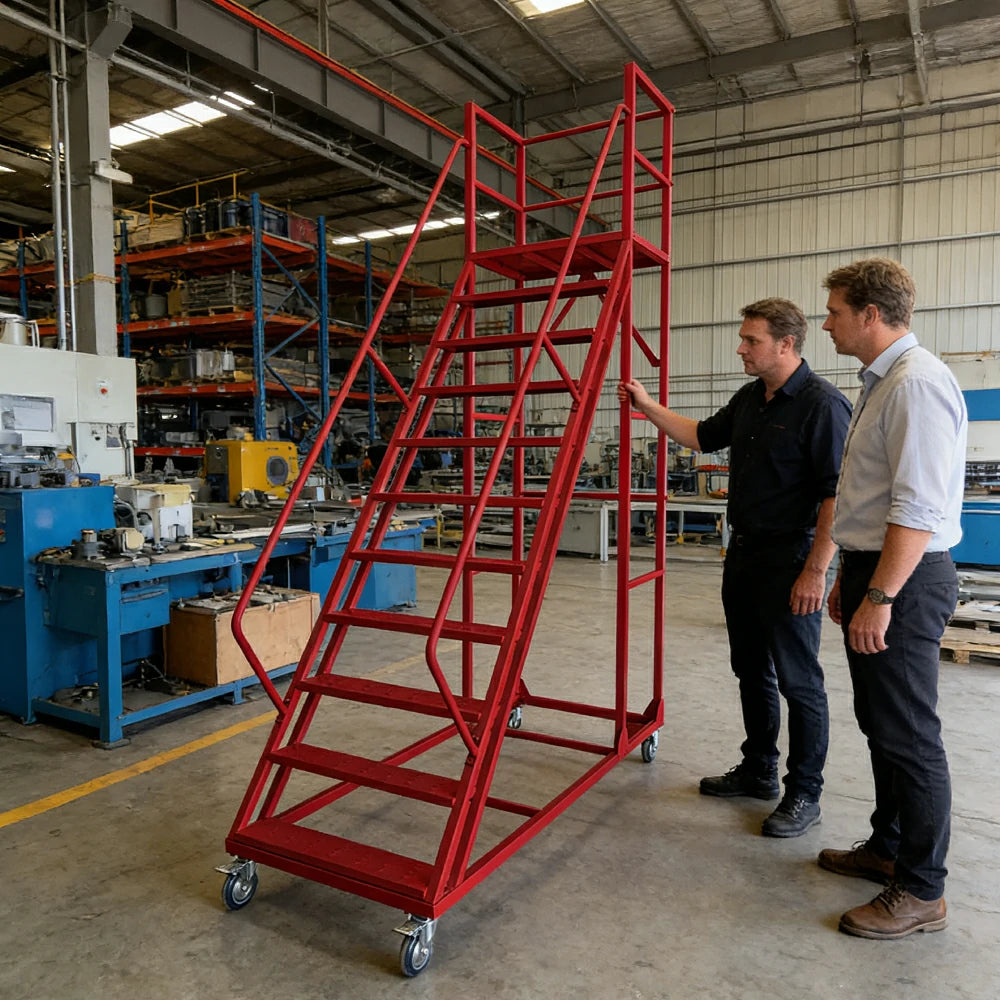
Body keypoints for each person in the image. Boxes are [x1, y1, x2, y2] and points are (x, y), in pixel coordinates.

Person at [619, 298, 851, 837]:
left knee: (799, 681)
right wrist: (647, 405)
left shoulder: (822, 406)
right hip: (744, 555)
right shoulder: (750, 398)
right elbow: (701, 435)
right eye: (743, 338)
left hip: (791, 560)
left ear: (786, 344)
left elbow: (834, 496)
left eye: (752, 340)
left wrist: (817, 570)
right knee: (750, 669)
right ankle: (759, 769)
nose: (741, 348)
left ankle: (804, 793)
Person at [818, 258, 967, 939]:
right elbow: (874, 499)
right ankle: (889, 847)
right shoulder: (883, 383)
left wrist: (879, 593)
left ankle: (923, 890)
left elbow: (918, 507)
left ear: (871, 315)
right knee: (882, 723)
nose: (827, 324)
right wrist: (850, 578)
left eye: (836, 312)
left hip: (903, 577)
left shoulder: (915, 384)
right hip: (875, 568)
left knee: (908, 733)